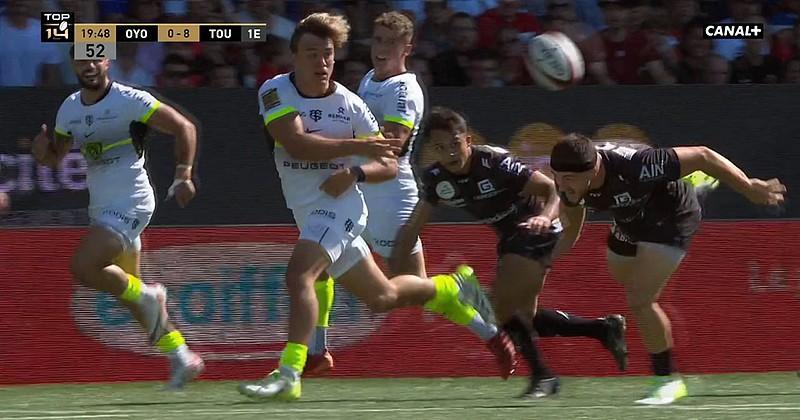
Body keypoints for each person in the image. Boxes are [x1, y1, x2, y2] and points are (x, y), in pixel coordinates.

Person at [237, 13, 494, 402]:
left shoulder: (352, 105)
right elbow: (297, 144)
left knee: (300, 276)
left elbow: (388, 163)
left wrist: (357, 172)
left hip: (341, 208)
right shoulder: (274, 91)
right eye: (311, 54)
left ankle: (290, 372)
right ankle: (452, 286)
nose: (321, 63)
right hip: (308, 209)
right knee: (382, 298)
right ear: (293, 57)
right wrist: (357, 148)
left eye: (328, 54)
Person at [305, 10, 516, 380]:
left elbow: (392, 147)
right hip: (358, 191)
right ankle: (316, 350)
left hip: (390, 195)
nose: (381, 48)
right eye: (378, 40)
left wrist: (338, 150)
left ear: (409, 47)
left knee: (411, 290)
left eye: (391, 42)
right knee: (318, 257)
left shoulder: (405, 90)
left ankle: (472, 308)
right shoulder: (370, 79)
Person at [392, 107, 628, 398]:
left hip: (536, 232)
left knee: (498, 308)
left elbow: (552, 190)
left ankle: (543, 376)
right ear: (431, 150)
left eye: (455, 144)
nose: (451, 153)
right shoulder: (436, 178)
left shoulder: (493, 162)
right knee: (523, 319)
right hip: (510, 239)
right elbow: (414, 225)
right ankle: (601, 329)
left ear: (467, 140)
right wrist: (396, 269)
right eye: (440, 147)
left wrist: (546, 217)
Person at [549, 134, 786, 405]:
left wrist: (748, 187)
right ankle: (692, 187)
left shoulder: (638, 165)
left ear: (593, 170)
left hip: (673, 215)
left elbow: (703, 154)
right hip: (631, 219)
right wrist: (546, 260)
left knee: (640, 299)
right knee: (620, 273)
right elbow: (572, 225)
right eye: (556, 175)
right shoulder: (569, 183)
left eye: (567, 178)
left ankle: (668, 381)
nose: (560, 183)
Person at [30, 45, 204, 390]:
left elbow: (185, 128)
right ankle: (181, 356)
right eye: (82, 59)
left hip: (132, 201)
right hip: (102, 206)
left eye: (96, 57)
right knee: (129, 293)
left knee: (85, 267)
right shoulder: (69, 108)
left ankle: (152, 295)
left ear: (106, 61)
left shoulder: (130, 100)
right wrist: (41, 153)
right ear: (74, 65)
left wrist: (183, 174)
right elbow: (56, 158)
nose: (89, 65)